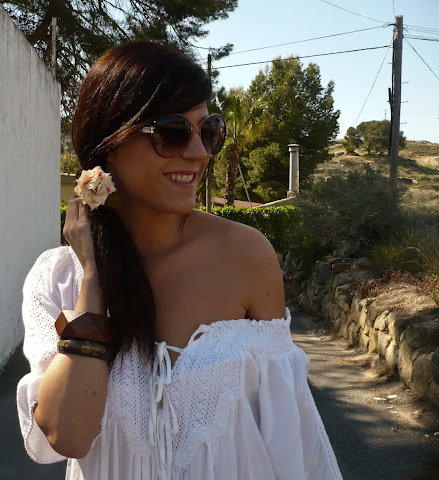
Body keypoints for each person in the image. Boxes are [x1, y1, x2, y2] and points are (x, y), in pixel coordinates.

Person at [17, 42, 342, 480]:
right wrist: (92, 283)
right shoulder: (58, 278)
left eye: (208, 131)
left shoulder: (245, 256)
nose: (199, 152)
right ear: (109, 146)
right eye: (172, 132)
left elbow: (289, 435)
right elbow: (68, 436)